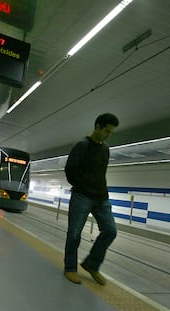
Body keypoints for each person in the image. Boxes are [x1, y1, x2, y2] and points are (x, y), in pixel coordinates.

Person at [63, 113, 119, 286]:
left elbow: (100, 174)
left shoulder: (106, 149)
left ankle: (91, 264)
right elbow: (70, 170)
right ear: (97, 127)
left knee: (111, 230)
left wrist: (102, 192)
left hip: (101, 198)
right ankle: (70, 268)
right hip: (82, 196)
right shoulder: (82, 145)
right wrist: (82, 187)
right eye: (107, 131)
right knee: (74, 233)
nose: (108, 135)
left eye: (111, 132)